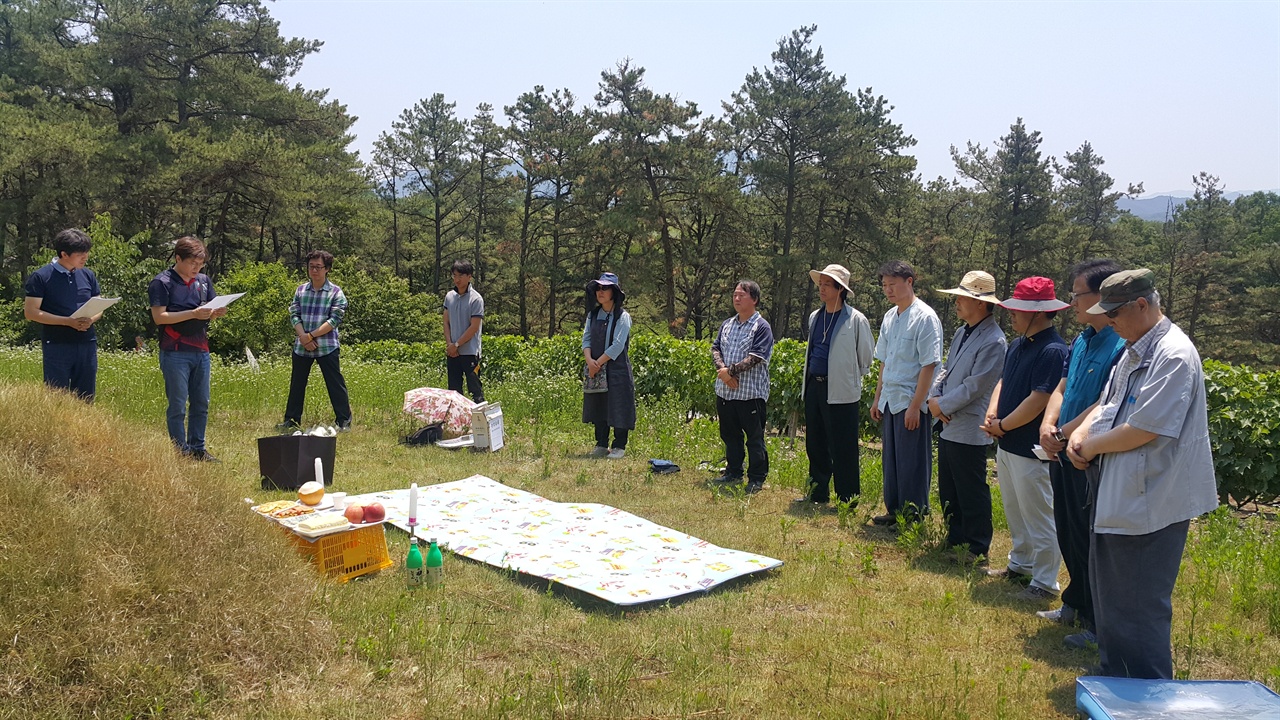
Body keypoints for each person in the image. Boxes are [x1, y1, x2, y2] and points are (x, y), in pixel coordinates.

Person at [1066, 269, 1217, 679]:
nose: (1110, 323)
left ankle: (1148, 696)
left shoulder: (1173, 354)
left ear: (1143, 305)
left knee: (1140, 606)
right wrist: (1080, 434)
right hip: (1119, 495)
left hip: (1152, 500)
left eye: (1114, 314)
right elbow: (1107, 403)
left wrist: (1091, 446)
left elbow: (1148, 427)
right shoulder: (1134, 347)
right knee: (1113, 602)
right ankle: (1117, 686)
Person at [1035, 260, 1126, 647]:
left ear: (1102, 296)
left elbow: (1105, 403)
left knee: (1091, 538)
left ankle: (1096, 620)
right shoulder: (1083, 339)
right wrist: (1047, 426)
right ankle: (1074, 601)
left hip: (1089, 454)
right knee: (1068, 528)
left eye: (1078, 295)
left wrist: (1063, 433)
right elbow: (1061, 388)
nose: (1072, 302)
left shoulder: (1120, 344)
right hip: (1061, 449)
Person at [980, 276, 1070, 604]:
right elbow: (1003, 383)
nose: (1012, 315)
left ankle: (1045, 582)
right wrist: (992, 416)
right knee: (1015, 510)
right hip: (1007, 444)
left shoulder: (1052, 349)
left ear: (1038, 313)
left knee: (1039, 515)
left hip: (1030, 449)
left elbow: (1039, 399)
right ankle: (1020, 565)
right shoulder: (1019, 344)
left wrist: (1002, 424)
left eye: (1018, 309)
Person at [928, 271, 1007, 563]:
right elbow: (946, 370)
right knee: (950, 486)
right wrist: (933, 398)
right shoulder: (963, 332)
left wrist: (941, 405)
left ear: (982, 304)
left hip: (969, 424)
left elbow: (975, 386)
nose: (958, 303)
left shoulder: (994, 341)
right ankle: (955, 538)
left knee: (971, 488)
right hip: (948, 420)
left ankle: (976, 547)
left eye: (964, 298)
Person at [870, 261, 942, 526]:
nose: (888, 290)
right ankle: (894, 509)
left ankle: (914, 514)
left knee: (912, 460)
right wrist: (877, 398)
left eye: (893, 285)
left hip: (912, 400)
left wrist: (916, 405)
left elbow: (929, 364)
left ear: (909, 282)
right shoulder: (891, 317)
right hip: (890, 398)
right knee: (892, 459)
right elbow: (885, 361)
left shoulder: (925, 317)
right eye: (884, 286)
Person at [798, 264, 874, 506]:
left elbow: (866, 357)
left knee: (843, 446)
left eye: (827, 284)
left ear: (840, 289)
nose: (821, 288)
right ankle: (818, 493)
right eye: (820, 283)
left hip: (841, 391)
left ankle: (847, 498)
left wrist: (847, 377)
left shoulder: (855, 320)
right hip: (815, 387)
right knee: (816, 442)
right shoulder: (815, 316)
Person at [148, 236, 227, 462]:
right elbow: (159, 317)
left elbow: (209, 307)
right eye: (192, 262)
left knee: (201, 402)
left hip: (201, 350)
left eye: (200, 263)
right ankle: (180, 450)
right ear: (178, 258)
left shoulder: (203, 281)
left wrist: (215, 312)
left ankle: (197, 448)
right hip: (174, 351)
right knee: (178, 404)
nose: (197, 268)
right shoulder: (162, 282)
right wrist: (193, 313)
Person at [23, 228, 103, 401]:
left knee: (85, 398)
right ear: (64, 254)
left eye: (87, 252)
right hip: (57, 344)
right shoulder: (41, 277)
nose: (85, 257)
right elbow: (31, 312)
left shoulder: (88, 275)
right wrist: (67, 322)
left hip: (86, 343)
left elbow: (99, 305)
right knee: (56, 396)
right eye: (80, 253)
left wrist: (90, 319)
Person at [711, 280, 775, 494]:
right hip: (726, 392)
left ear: (754, 300)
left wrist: (729, 373)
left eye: (742, 295)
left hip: (751, 394)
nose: (737, 298)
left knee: (754, 438)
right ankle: (733, 471)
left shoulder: (761, 327)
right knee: (730, 435)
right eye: (735, 295)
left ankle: (756, 478)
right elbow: (716, 348)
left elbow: (756, 357)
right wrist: (723, 371)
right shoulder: (727, 324)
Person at [279, 250, 353, 431]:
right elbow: (294, 314)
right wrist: (303, 337)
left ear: (327, 269)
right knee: (297, 384)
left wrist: (310, 336)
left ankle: (344, 421)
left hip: (326, 346)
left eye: (318, 267)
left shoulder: (336, 292)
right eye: (311, 267)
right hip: (302, 346)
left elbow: (334, 320)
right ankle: (291, 420)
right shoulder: (301, 290)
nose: (314, 271)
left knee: (335, 384)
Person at [581, 272, 636, 459]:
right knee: (599, 405)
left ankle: (619, 445)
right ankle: (601, 443)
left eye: (605, 288)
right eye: (598, 288)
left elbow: (618, 345)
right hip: (595, 367)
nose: (600, 291)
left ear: (614, 292)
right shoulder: (593, 315)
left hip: (617, 368)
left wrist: (598, 363)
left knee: (619, 404)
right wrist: (590, 362)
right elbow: (586, 339)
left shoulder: (623, 316)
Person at [443, 259, 484, 403]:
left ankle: (481, 424)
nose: (457, 279)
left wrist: (457, 344)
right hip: (453, 352)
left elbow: (474, 327)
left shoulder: (476, 299)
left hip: (470, 352)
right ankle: (457, 424)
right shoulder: (449, 297)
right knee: (454, 392)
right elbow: (446, 322)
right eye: (454, 275)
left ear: (469, 276)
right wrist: (450, 344)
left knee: (475, 390)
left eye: (460, 276)